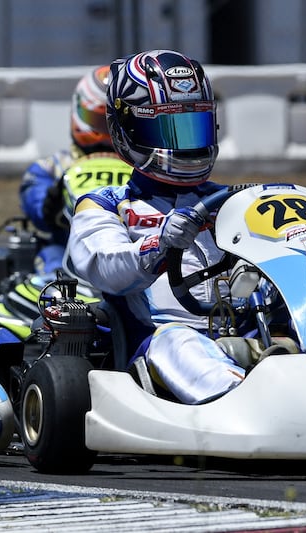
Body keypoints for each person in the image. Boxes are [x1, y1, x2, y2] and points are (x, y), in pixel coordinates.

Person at [67, 49, 246, 405]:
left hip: (243, 330)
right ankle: (240, 401)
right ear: (128, 131)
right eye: (170, 131)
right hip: (158, 340)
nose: (186, 145)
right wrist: (156, 246)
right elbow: (104, 265)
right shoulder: (106, 204)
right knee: (179, 341)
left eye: (195, 127)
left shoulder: (233, 201)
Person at [19, 65, 133, 274]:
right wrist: (49, 204)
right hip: (67, 249)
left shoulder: (141, 163)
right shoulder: (52, 167)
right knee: (50, 257)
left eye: (113, 124)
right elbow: (37, 211)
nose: (105, 131)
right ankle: (57, 295)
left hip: (133, 251)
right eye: (99, 121)